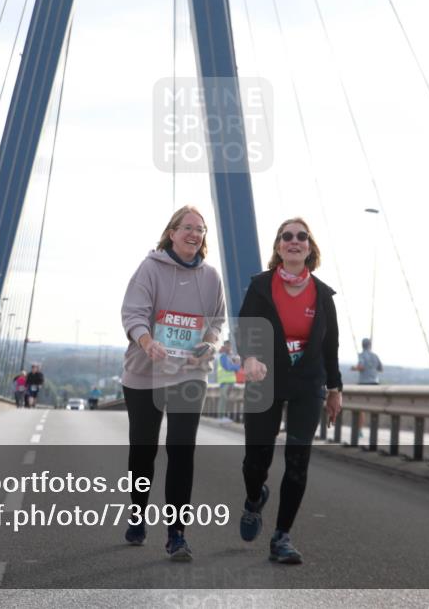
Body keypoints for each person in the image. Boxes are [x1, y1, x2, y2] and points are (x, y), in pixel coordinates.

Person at [120, 205, 225, 561]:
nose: (194, 234)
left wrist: (209, 343)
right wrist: (147, 342)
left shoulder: (211, 277)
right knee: (143, 450)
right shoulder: (150, 269)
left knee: (181, 450)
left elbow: (217, 322)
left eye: (201, 229)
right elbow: (133, 313)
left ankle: (176, 534)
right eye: (188, 228)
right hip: (145, 372)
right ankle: (137, 513)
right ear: (172, 233)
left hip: (189, 373)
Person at [236, 218, 342, 565]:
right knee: (256, 462)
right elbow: (245, 330)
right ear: (278, 246)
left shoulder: (323, 295)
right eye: (287, 236)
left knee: (298, 461)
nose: (294, 241)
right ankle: (254, 499)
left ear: (310, 247)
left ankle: (281, 536)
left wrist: (335, 389)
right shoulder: (261, 286)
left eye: (301, 236)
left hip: (307, 384)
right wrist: (249, 358)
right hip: (265, 379)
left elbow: (330, 347)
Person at [216, 339, 240, 420]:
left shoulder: (231, 356)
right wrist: (236, 366)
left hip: (231, 382)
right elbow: (227, 367)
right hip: (224, 382)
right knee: (223, 400)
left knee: (227, 400)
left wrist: (236, 365)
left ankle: (224, 417)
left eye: (230, 346)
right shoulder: (223, 356)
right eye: (227, 346)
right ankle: (221, 417)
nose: (229, 347)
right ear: (224, 346)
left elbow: (237, 368)